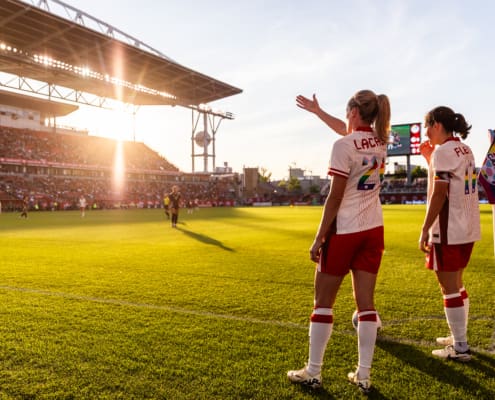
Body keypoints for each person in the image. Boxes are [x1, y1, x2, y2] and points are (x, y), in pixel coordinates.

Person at [288, 90, 390, 393]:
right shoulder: (381, 141)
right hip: (373, 228)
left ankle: (314, 372)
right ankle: (363, 374)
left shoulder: (343, 145)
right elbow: (352, 136)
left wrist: (319, 237)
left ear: (353, 112)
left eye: (346, 113)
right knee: (366, 305)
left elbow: (335, 196)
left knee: (323, 303)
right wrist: (319, 112)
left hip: (345, 228)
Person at [418, 106, 480, 362]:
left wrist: (424, 228)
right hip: (467, 226)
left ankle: (460, 346)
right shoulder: (465, 149)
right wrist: (429, 158)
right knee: (458, 284)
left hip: (448, 229)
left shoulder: (443, 152)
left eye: (426, 126)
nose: (425, 132)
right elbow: (450, 181)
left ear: (435, 124)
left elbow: (440, 193)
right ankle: (458, 336)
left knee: (449, 288)